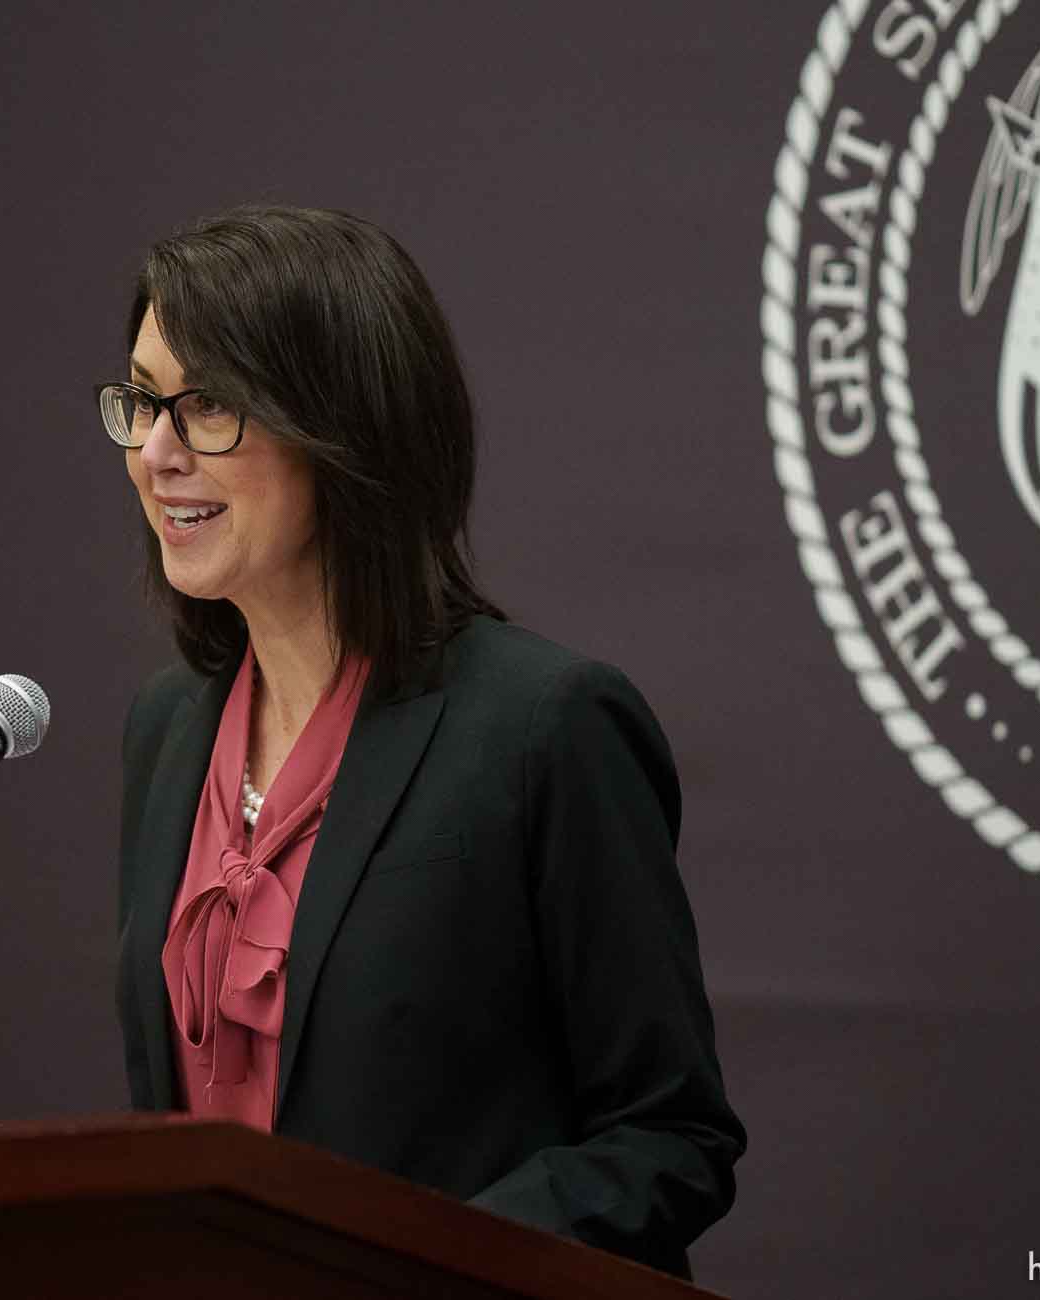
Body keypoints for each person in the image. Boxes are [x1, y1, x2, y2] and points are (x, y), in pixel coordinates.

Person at [108, 205, 743, 1276]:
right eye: (141, 402)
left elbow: (669, 1140)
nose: (155, 453)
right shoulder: (169, 727)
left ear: (342, 429)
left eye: (207, 405)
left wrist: (426, 1270)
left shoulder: (544, 726)